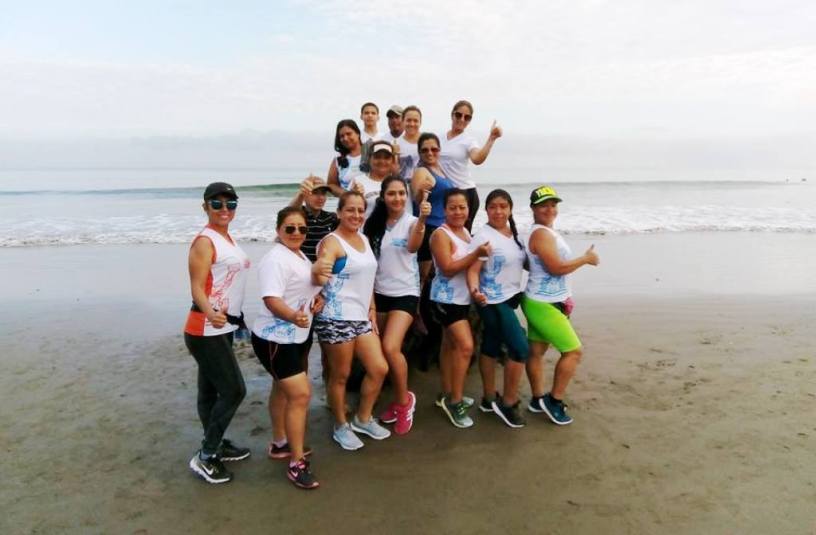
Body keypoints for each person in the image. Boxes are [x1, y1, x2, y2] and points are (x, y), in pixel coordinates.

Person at [312, 191, 391, 450]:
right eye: (350, 210)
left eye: (360, 210)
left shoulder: (364, 240)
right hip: (335, 317)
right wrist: (318, 279)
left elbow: (367, 279)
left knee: (379, 368)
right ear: (339, 213)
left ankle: (363, 418)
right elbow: (321, 272)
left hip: (360, 317)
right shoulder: (332, 243)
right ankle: (340, 425)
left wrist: (371, 306)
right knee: (341, 376)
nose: (356, 215)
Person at [251, 207, 323, 489]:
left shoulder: (300, 256)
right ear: (278, 230)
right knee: (301, 394)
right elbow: (271, 299)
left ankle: (280, 443)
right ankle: (296, 463)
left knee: (281, 388)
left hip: (298, 335)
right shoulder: (275, 259)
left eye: (302, 229)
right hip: (275, 338)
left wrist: (318, 302)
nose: (296, 233)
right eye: (290, 228)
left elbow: (308, 290)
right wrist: (293, 315)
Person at [184, 182, 251, 484]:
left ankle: (216, 443)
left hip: (224, 326)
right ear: (205, 207)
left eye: (231, 203)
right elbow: (197, 286)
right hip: (205, 326)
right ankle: (206, 455)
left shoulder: (228, 239)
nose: (225, 209)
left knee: (209, 391)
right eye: (217, 203)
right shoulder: (204, 241)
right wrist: (210, 311)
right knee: (235, 389)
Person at [522, 185, 599, 425]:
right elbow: (555, 268)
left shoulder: (545, 232)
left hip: (547, 300)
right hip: (542, 304)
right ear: (533, 208)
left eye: (553, 204)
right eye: (544, 204)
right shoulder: (541, 234)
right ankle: (553, 401)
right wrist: (586, 259)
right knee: (573, 351)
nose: (550, 209)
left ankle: (537, 399)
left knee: (536, 352)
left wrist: (564, 297)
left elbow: (532, 264)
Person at [362, 176, 430, 434]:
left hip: (406, 294)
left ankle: (404, 402)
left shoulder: (413, 222)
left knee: (391, 347)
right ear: (383, 197)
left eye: (402, 193)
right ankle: (393, 397)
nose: (398, 198)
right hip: (380, 294)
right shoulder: (374, 225)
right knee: (380, 350)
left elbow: (413, 247)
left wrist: (423, 220)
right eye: (392, 193)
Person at [467, 189, 529, 428]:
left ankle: (488, 397)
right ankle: (509, 402)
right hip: (490, 300)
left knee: (491, 344)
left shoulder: (514, 235)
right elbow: (472, 271)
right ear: (486, 210)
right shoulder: (483, 236)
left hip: (510, 296)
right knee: (520, 347)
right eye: (493, 206)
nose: (498, 211)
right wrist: (475, 293)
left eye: (503, 206)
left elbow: (524, 263)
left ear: (510, 209)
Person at [429, 188, 491, 428]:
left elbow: (472, 266)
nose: (457, 212)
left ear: (469, 210)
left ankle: (446, 393)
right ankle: (455, 401)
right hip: (445, 300)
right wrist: (477, 252)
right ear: (444, 210)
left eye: (462, 207)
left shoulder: (465, 232)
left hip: (462, 298)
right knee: (465, 346)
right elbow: (447, 268)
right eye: (452, 207)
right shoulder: (440, 235)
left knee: (449, 345)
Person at [439, 100, 503, 231]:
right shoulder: (440, 138)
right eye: (459, 115)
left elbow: (477, 158)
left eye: (467, 117)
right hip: (447, 194)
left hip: (466, 193)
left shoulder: (469, 141)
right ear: (452, 115)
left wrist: (491, 139)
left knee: (461, 234)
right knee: (447, 232)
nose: (462, 119)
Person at [410, 132, 456, 286]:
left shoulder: (440, 170)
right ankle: (418, 309)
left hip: (441, 228)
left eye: (434, 149)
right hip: (428, 228)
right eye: (425, 150)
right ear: (419, 153)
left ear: (439, 150)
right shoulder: (421, 171)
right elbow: (416, 199)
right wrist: (421, 191)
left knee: (435, 275)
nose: (430, 153)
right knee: (424, 276)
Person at [289, 176, 339, 262]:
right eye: (315, 192)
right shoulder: (300, 215)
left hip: (324, 267)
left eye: (323, 193)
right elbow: (288, 214)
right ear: (305, 196)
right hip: (301, 266)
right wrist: (300, 194)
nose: (320, 197)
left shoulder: (331, 217)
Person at [350, 140, 397, 219]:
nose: (382, 161)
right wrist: (354, 196)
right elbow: (347, 211)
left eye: (386, 158)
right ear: (369, 159)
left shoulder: (399, 184)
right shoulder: (357, 181)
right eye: (377, 157)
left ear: (392, 161)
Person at [326, 119, 365, 196]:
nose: (345, 138)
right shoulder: (338, 158)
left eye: (349, 134)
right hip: (349, 205)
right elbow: (331, 184)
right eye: (342, 136)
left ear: (358, 133)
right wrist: (349, 194)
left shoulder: (371, 152)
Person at [395, 105, 422, 182]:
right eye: (408, 120)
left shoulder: (427, 142)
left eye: (415, 121)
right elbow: (393, 172)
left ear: (420, 122)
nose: (412, 124)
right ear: (403, 121)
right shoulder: (395, 143)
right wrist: (395, 156)